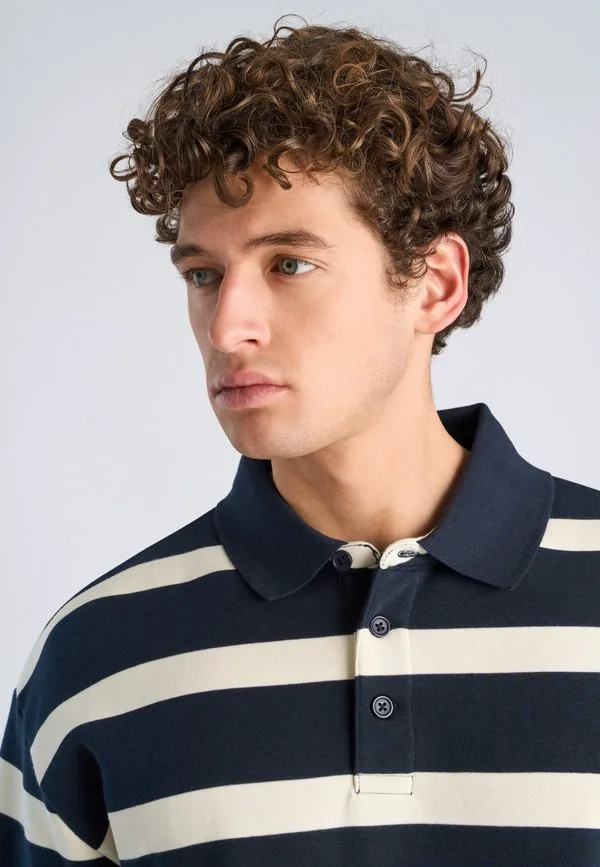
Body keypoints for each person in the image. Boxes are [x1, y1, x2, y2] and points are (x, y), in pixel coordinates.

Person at [2, 13, 599, 866]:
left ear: (436, 285)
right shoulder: (94, 660)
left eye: (289, 263)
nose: (228, 326)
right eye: (203, 274)